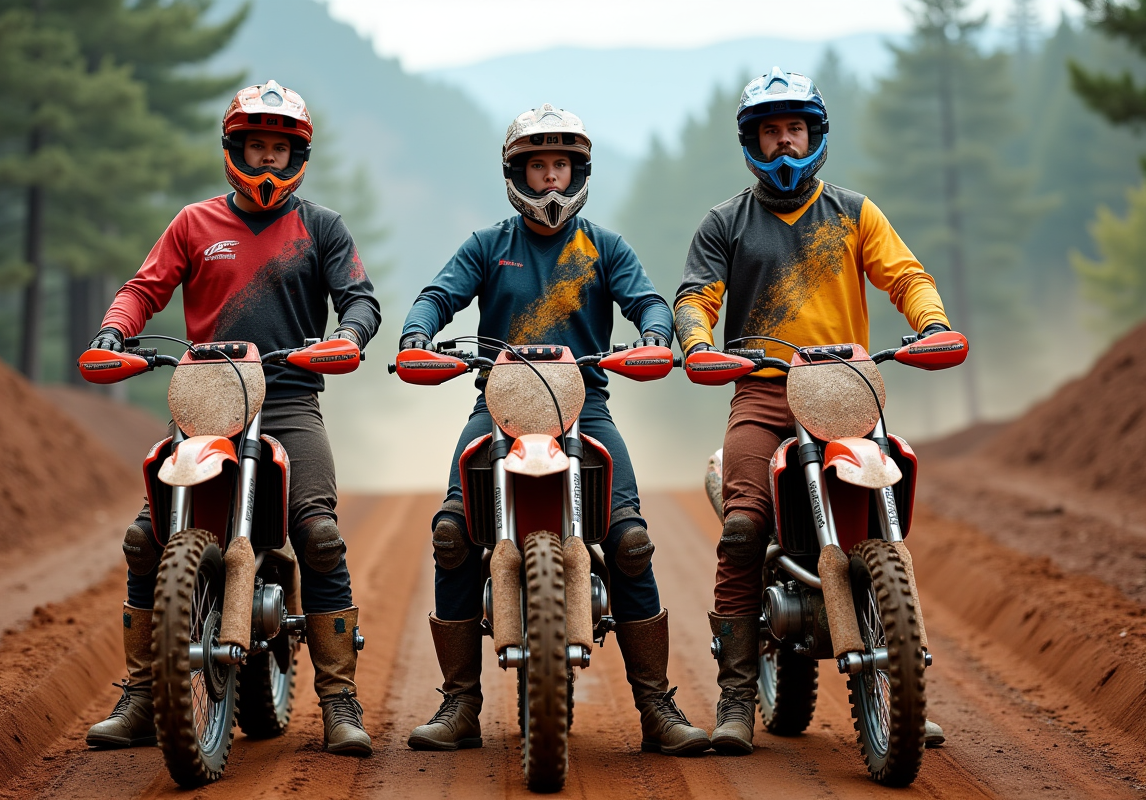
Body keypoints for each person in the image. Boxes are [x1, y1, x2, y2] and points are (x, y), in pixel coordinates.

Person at [400, 104, 710, 756]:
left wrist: (656, 331)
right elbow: (439, 293)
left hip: (585, 406)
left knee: (628, 541)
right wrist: (417, 330)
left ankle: (656, 707)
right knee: (453, 534)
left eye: (560, 166)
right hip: (498, 406)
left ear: (578, 172)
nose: (549, 181)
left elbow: (648, 299)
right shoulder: (490, 245)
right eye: (537, 166)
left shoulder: (604, 246)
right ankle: (459, 704)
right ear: (517, 172)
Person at [83, 80, 381, 756]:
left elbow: (359, 299)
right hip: (207, 396)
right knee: (144, 538)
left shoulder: (322, 227)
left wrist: (349, 337)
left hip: (289, 397)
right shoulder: (193, 223)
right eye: (256, 147)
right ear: (233, 149)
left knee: (320, 533)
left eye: (281, 149)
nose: (269, 161)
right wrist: (113, 330)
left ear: (297, 154)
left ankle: (339, 701)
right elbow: (144, 288)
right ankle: (139, 692)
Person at [673, 67, 952, 755]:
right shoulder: (725, 223)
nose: (784, 145)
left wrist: (933, 322)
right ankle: (737, 692)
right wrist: (700, 344)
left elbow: (904, 274)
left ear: (815, 134)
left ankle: (906, 682)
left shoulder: (855, 211)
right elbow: (696, 297)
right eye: (770, 132)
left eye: (794, 129)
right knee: (743, 529)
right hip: (764, 390)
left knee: (884, 522)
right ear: (752, 142)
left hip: (850, 391)